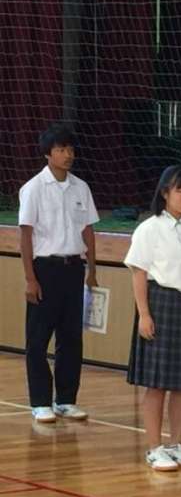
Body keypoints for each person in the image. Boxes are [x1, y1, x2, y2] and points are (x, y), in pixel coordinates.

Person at [124, 165, 181, 472]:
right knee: (157, 383)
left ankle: (176, 444)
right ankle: (154, 448)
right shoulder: (149, 229)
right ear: (165, 193)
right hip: (161, 303)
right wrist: (144, 314)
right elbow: (139, 273)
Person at [19, 122, 99, 424]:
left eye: (70, 148)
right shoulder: (33, 188)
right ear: (47, 153)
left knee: (71, 337)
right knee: (38, 340)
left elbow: (88, 231)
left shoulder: (81, 187)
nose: (68, 154)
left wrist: (92, 269)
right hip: (45, 269)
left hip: (74, 269)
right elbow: (25, 236)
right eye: (61, 149)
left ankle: (66, 399)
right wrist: (30, 278)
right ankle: (40, 402)